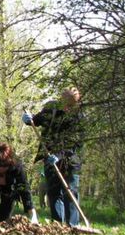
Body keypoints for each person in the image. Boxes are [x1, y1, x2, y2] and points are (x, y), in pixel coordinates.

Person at [22, 87, 84, 226]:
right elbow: (37, 120)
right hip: (49, 154)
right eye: (65, 103)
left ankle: (73, 226)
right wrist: (29, 119)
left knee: (71, 192)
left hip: (71, 159)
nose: (67, 107)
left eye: (71, 104)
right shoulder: (51, 108)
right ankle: (57, 225)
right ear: (61, 99)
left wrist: (59, 155)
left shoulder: (78, 116)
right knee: (53, 192)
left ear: (75, 103)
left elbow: (75, 142)